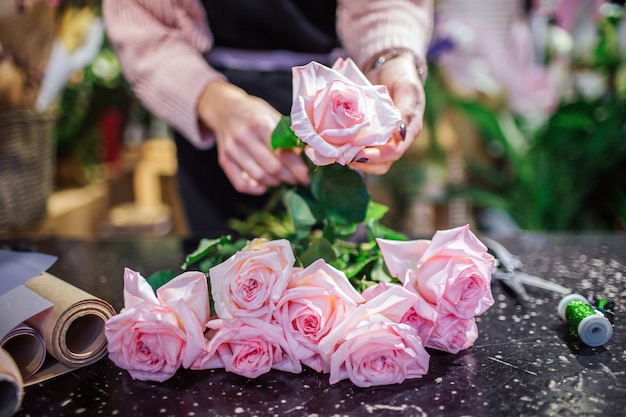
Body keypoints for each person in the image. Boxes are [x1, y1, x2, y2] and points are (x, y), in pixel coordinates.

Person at [102, 0, 434, 236]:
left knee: (334, 270)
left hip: (335, 95)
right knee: (221, 279)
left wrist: (390, 58)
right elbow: (140, 20)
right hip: (210, 107)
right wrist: (214, 103)